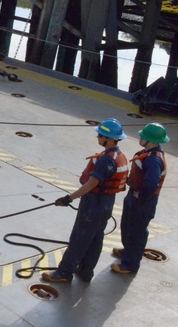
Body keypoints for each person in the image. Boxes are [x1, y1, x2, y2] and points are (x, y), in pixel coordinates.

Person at [42, 118, 129, 283]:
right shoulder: (120, 156)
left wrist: (68, 198)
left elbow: (91, 184)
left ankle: (64, 273)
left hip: (94, 204)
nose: (98, 138)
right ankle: (86, 271)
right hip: (107, 203)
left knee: (79, 239)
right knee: (96, 238)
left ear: (110, 139)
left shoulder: (105, 160)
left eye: (100, 136)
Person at [112, 123, 170, 275]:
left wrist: (141, 198)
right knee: (127, 226)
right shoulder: (147, 153)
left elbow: (151, 184)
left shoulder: (153, 160)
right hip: (134, 196)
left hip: (143, 201)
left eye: (143, 136)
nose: (140, 138)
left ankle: (130, 264)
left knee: (137, 232)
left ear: (150, 140)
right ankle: (128, 251)